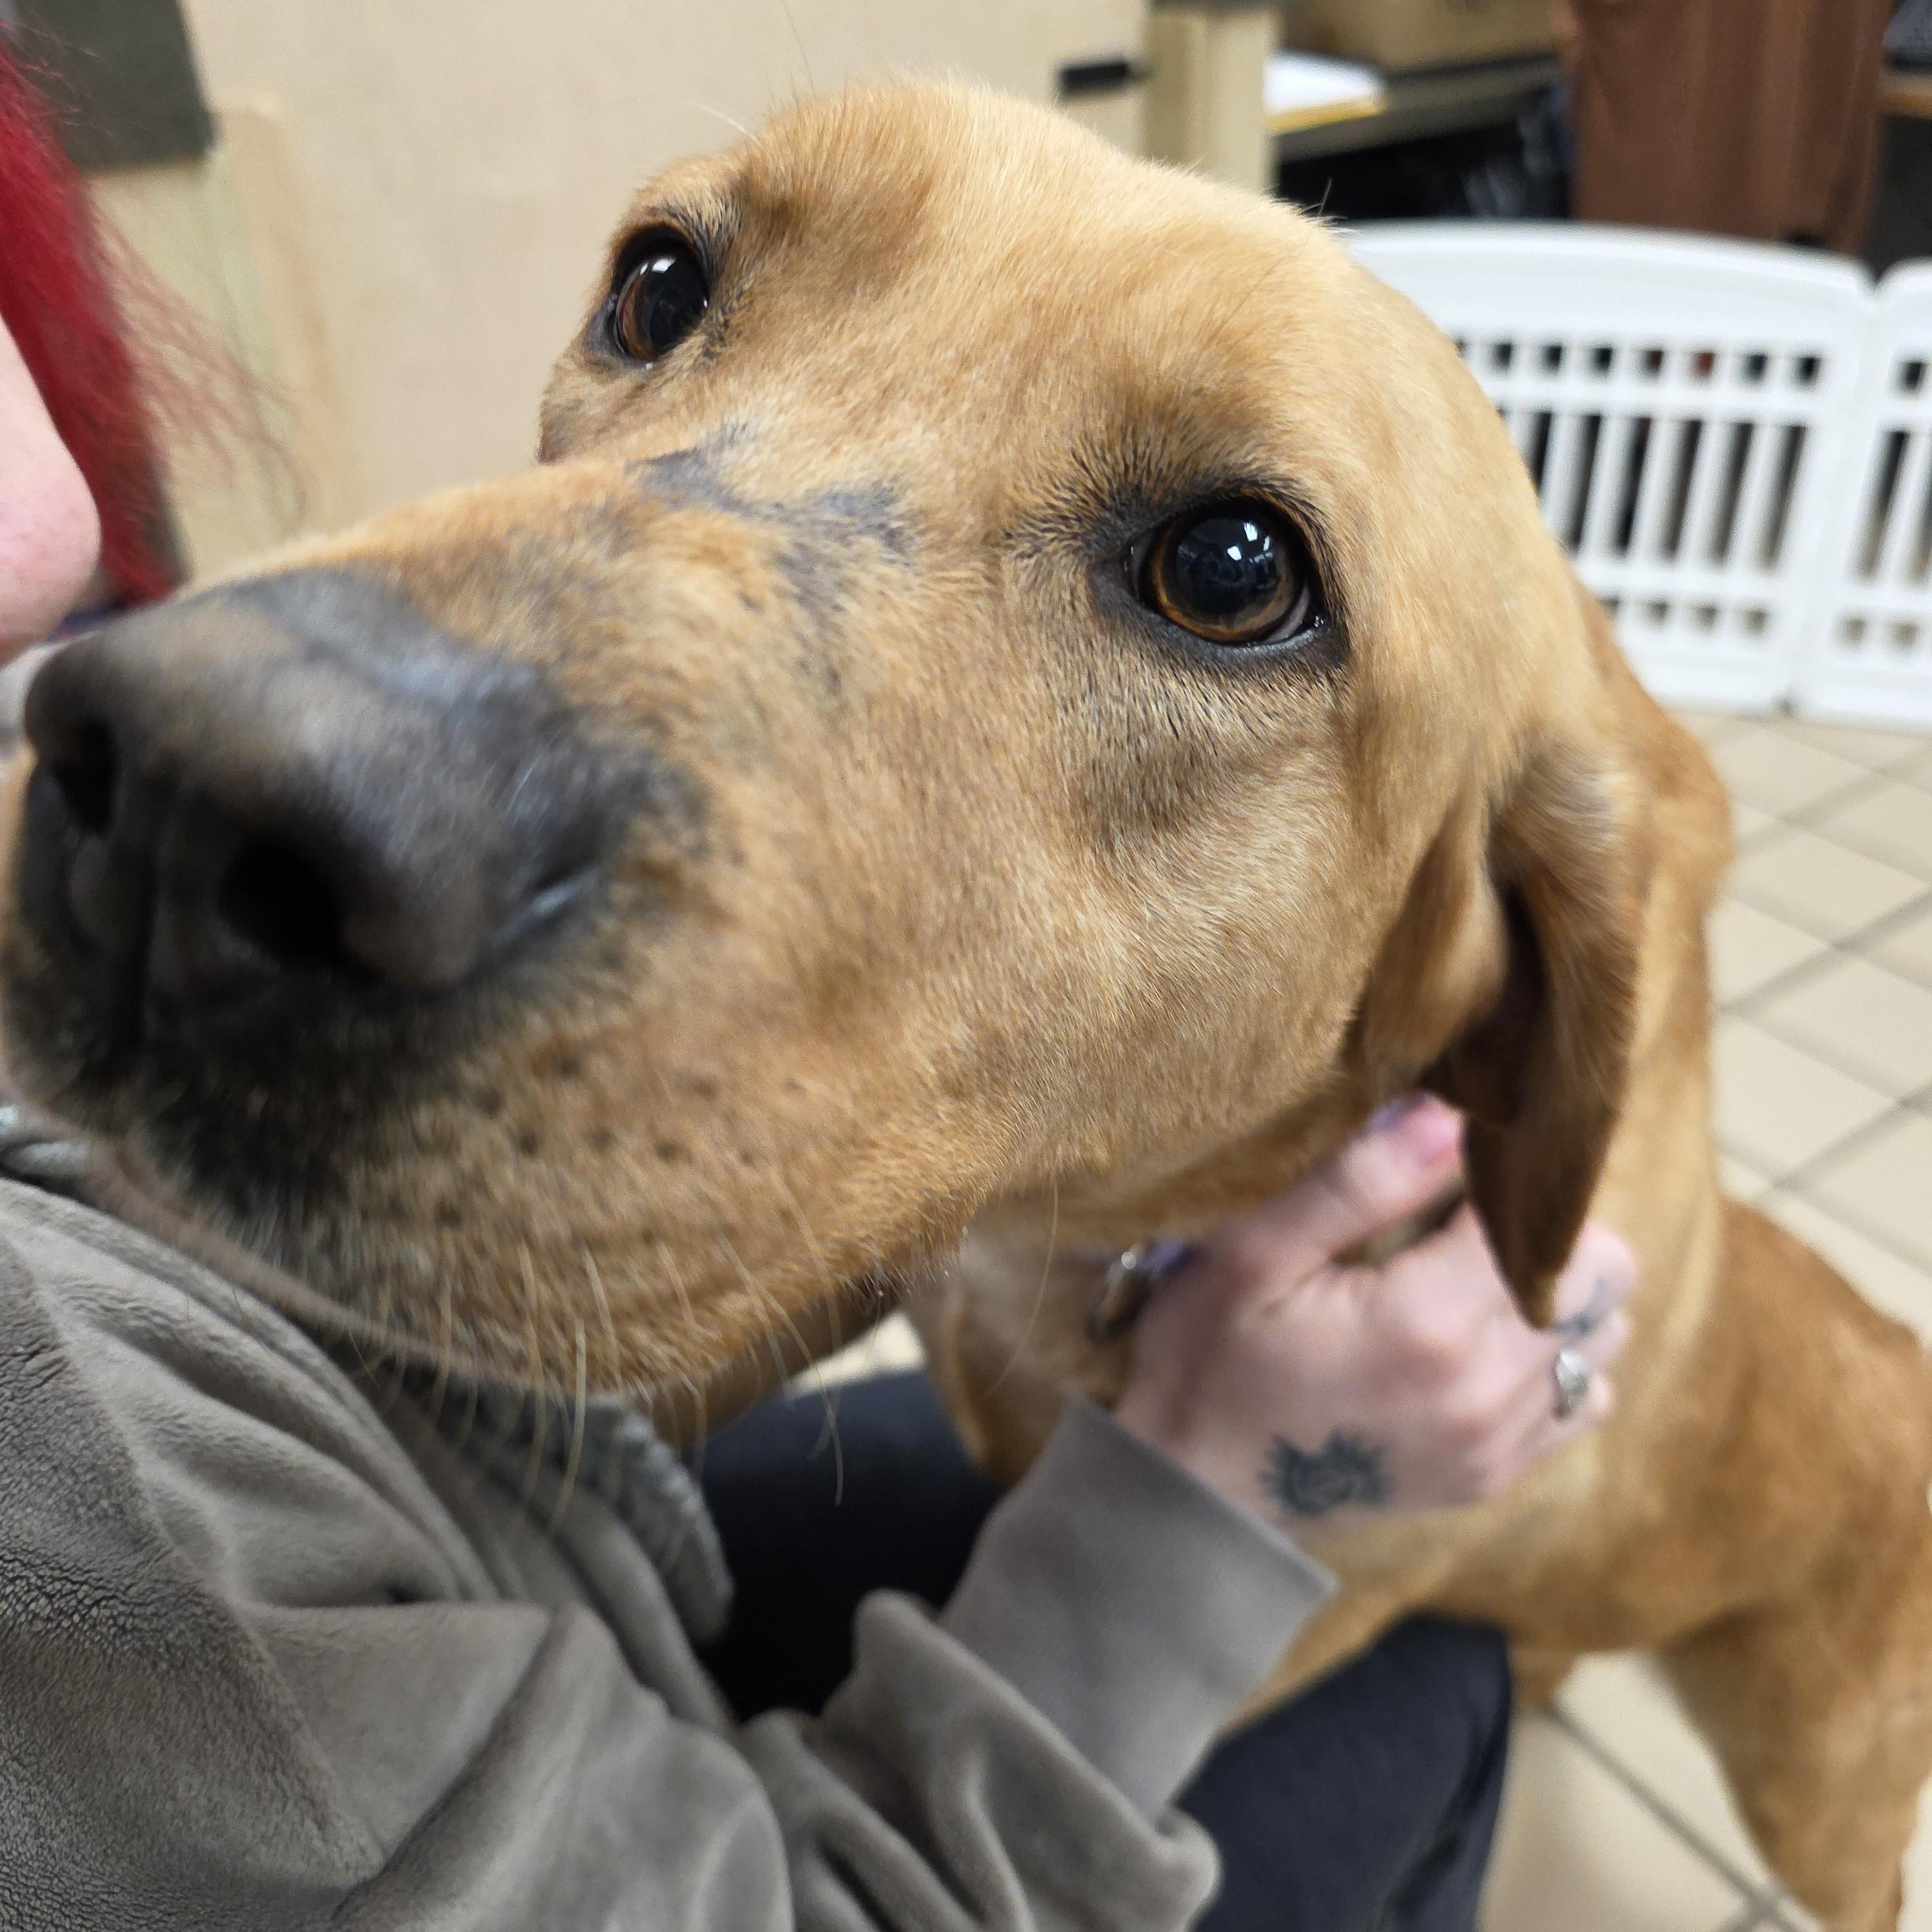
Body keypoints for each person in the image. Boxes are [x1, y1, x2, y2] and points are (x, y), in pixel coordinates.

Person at [0, 61, 1634, 1931]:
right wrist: (1221, 1493)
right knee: (1439, 1679)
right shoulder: (73, 1488)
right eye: (667, 303)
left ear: (1491, 991)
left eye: (1220, 577)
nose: (204, 733)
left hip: (488, 1514)